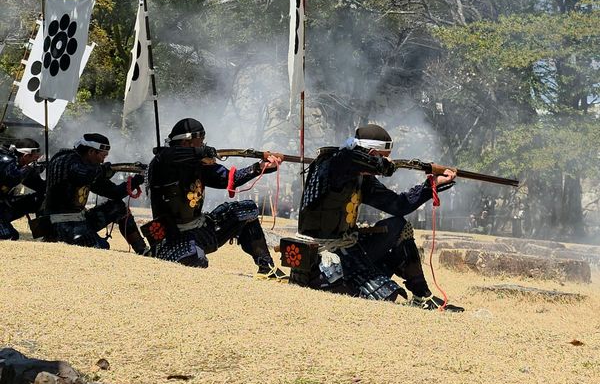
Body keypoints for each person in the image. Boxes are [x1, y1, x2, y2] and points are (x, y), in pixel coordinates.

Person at [291, 124, 464, 311]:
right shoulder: (333, 163)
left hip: (347, 250)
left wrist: (431, 184)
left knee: (399, 225)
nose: (386, 161)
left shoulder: (362, 177)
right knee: (386, 296)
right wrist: (385, 164)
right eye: (383, 156)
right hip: (320, 258)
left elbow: (399, 205)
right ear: (372, 152)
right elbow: (351, 159)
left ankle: (422, 296)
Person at [147, 117, 286, 279]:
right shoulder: (161, 162)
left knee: (247, 210)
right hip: (170, 237)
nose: (203, 145)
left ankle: (266, 268)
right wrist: (203, 152)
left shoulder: (199, 164)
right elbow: (166, 155)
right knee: (196, 262)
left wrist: (259, 168)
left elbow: (228, 178)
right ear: (186, 143)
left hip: (198, 229)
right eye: (200, 142)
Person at [41, 133, 147, 253]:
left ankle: (142, 250)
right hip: (59, 224)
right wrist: (105, 170)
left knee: (118, 208)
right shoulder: (65, 159)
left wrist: (136, 180)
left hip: (79, 220)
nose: (103, 160)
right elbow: (83, 175)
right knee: (100, 248)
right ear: (91, 152)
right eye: (103, 156)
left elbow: (114, 193)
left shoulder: (91, 169)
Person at [0, 138, 45, 240]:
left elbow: (39, 187)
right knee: (9, 236)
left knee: (38, 199)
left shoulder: (19, 164)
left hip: (3, 203)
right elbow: (13, 178)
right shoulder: (6, 162)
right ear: (26, 156)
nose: (36, 160)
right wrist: (29, 169)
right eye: (34, 157)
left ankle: (46, 234)